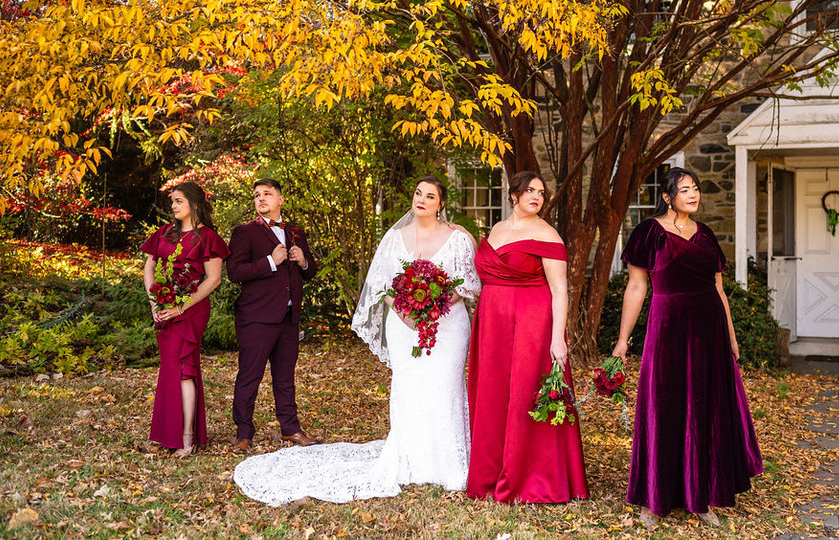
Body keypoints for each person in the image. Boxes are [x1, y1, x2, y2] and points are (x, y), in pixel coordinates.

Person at [233, 177, 480, 504]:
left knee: (444, 383)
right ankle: (408, 459)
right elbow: (382, 285)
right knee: (410, 384)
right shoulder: (395, 237)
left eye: (430, 195)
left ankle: (449, 463)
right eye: (418, 192)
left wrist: (433, 309)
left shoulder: (458, 238)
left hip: (447, 325)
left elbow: (470, 285)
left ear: (441, 203)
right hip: (403, 324)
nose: (421, 199)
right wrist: (408, 314)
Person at [612, 166, 763, 525]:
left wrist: (731, 335)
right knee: (663, 407)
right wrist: (622, 341)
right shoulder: (649, 233)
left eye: (695, 188)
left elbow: (719, 290)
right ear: (667, 196)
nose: (693, 194)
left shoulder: (707, 235)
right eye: (684, 190)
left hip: (708, 331)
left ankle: (704, 495)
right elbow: (636, 287)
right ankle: (654, 498)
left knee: (706, 409)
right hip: (667, 329)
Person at [467, 171, 589, 503]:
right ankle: (490, 473)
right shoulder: (496, 229)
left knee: (525, 393)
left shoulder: (547, 234)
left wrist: (557, 337)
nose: (536, 196)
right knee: (493, 393)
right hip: (493, 322)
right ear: (513, 196)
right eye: (529, 190)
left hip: (532, 321)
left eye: (541, 192)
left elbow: (560, 290)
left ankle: (531, 476)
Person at [227, 178, 319, 453]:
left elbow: (310, 271)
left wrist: (303, 260)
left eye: (267, 194)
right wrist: (271, 261)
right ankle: (244, 432)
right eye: (257, 195)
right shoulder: (245, 232)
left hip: (289, 317)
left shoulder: (295, 232)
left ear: (281, 200)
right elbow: (235, 272)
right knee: (249, 376)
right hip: (256, 317)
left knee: (285, 376)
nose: (261, 199)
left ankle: (290, 429)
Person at [141, 182, 229, 457]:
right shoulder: (164, 233)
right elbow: (149, 267)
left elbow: (213, 280)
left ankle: (187, 437)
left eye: (179, 201)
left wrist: (180, 308)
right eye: (173, 202)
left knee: (184, 369)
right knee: (170, 369)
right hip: (164, 310)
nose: (174, 206)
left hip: (191, 310)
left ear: (194, 203)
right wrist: (155, 302)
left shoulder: (208, 237)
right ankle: (169, 433)